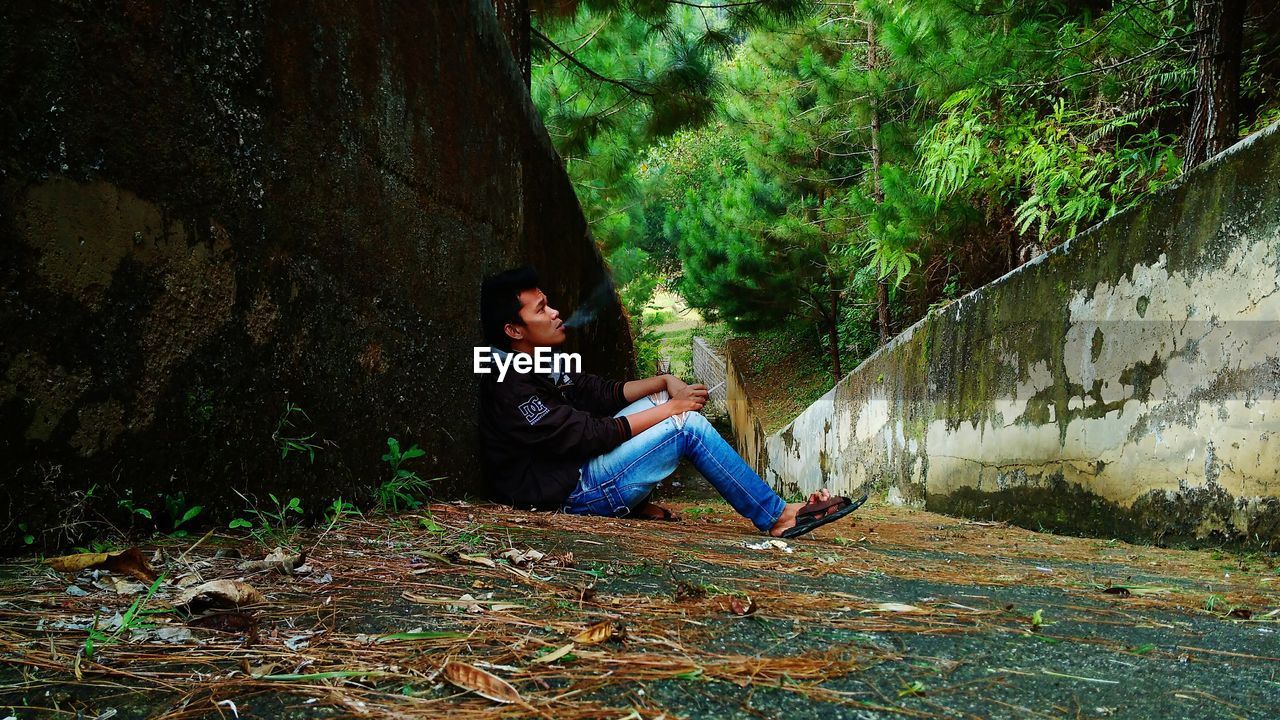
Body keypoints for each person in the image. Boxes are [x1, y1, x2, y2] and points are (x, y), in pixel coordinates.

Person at [477, 266, 864, 538]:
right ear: (513, 330)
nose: (556, 312)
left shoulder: (537, 360)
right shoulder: (508, 383)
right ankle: (777, 516)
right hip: (571, 491)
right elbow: (588, 434)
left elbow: (596, 392)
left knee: (663, 397)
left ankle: (635, 500)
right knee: (686, 427)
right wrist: (671, 410)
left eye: (549, 303)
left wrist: (663, 384)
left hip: (580, 469)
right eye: (541, 309)